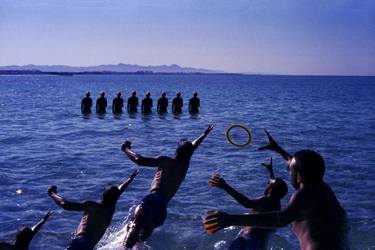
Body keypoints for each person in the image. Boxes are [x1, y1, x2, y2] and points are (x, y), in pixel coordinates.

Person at [203, 129, 348, 250]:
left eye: (289, 170)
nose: (287, 171)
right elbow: (299, 164)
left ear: (299, 176)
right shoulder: (323, 189)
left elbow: (281, 219)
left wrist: (231, 219)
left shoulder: (305, 194)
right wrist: (278, 149)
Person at [121, 124, 214, 248]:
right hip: (162, 209)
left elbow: (139, 160)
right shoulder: (184, 165)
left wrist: (126, 149)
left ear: (176, 150)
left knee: (135, 225)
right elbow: (193, 146)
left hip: (154, 199)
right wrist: (204, 134)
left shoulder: (166, 161)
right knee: (140, 240)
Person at [47, 170, 139, 250]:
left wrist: (52, 193)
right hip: (90, 246)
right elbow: (119, 190)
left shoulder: (92, 206)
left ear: (103, 195)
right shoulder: (110, 210)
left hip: (80, 242)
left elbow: (65, 205)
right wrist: (131, 178)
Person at [209, 158, 288, 250]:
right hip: (257, 241)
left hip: (250, 240)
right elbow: (275, 184)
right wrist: (270, 171)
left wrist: (225, 186)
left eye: (268, 184)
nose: (267, 183)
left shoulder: (266, 200)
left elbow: (247, 203)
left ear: (270, 189)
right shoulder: (276, 203)